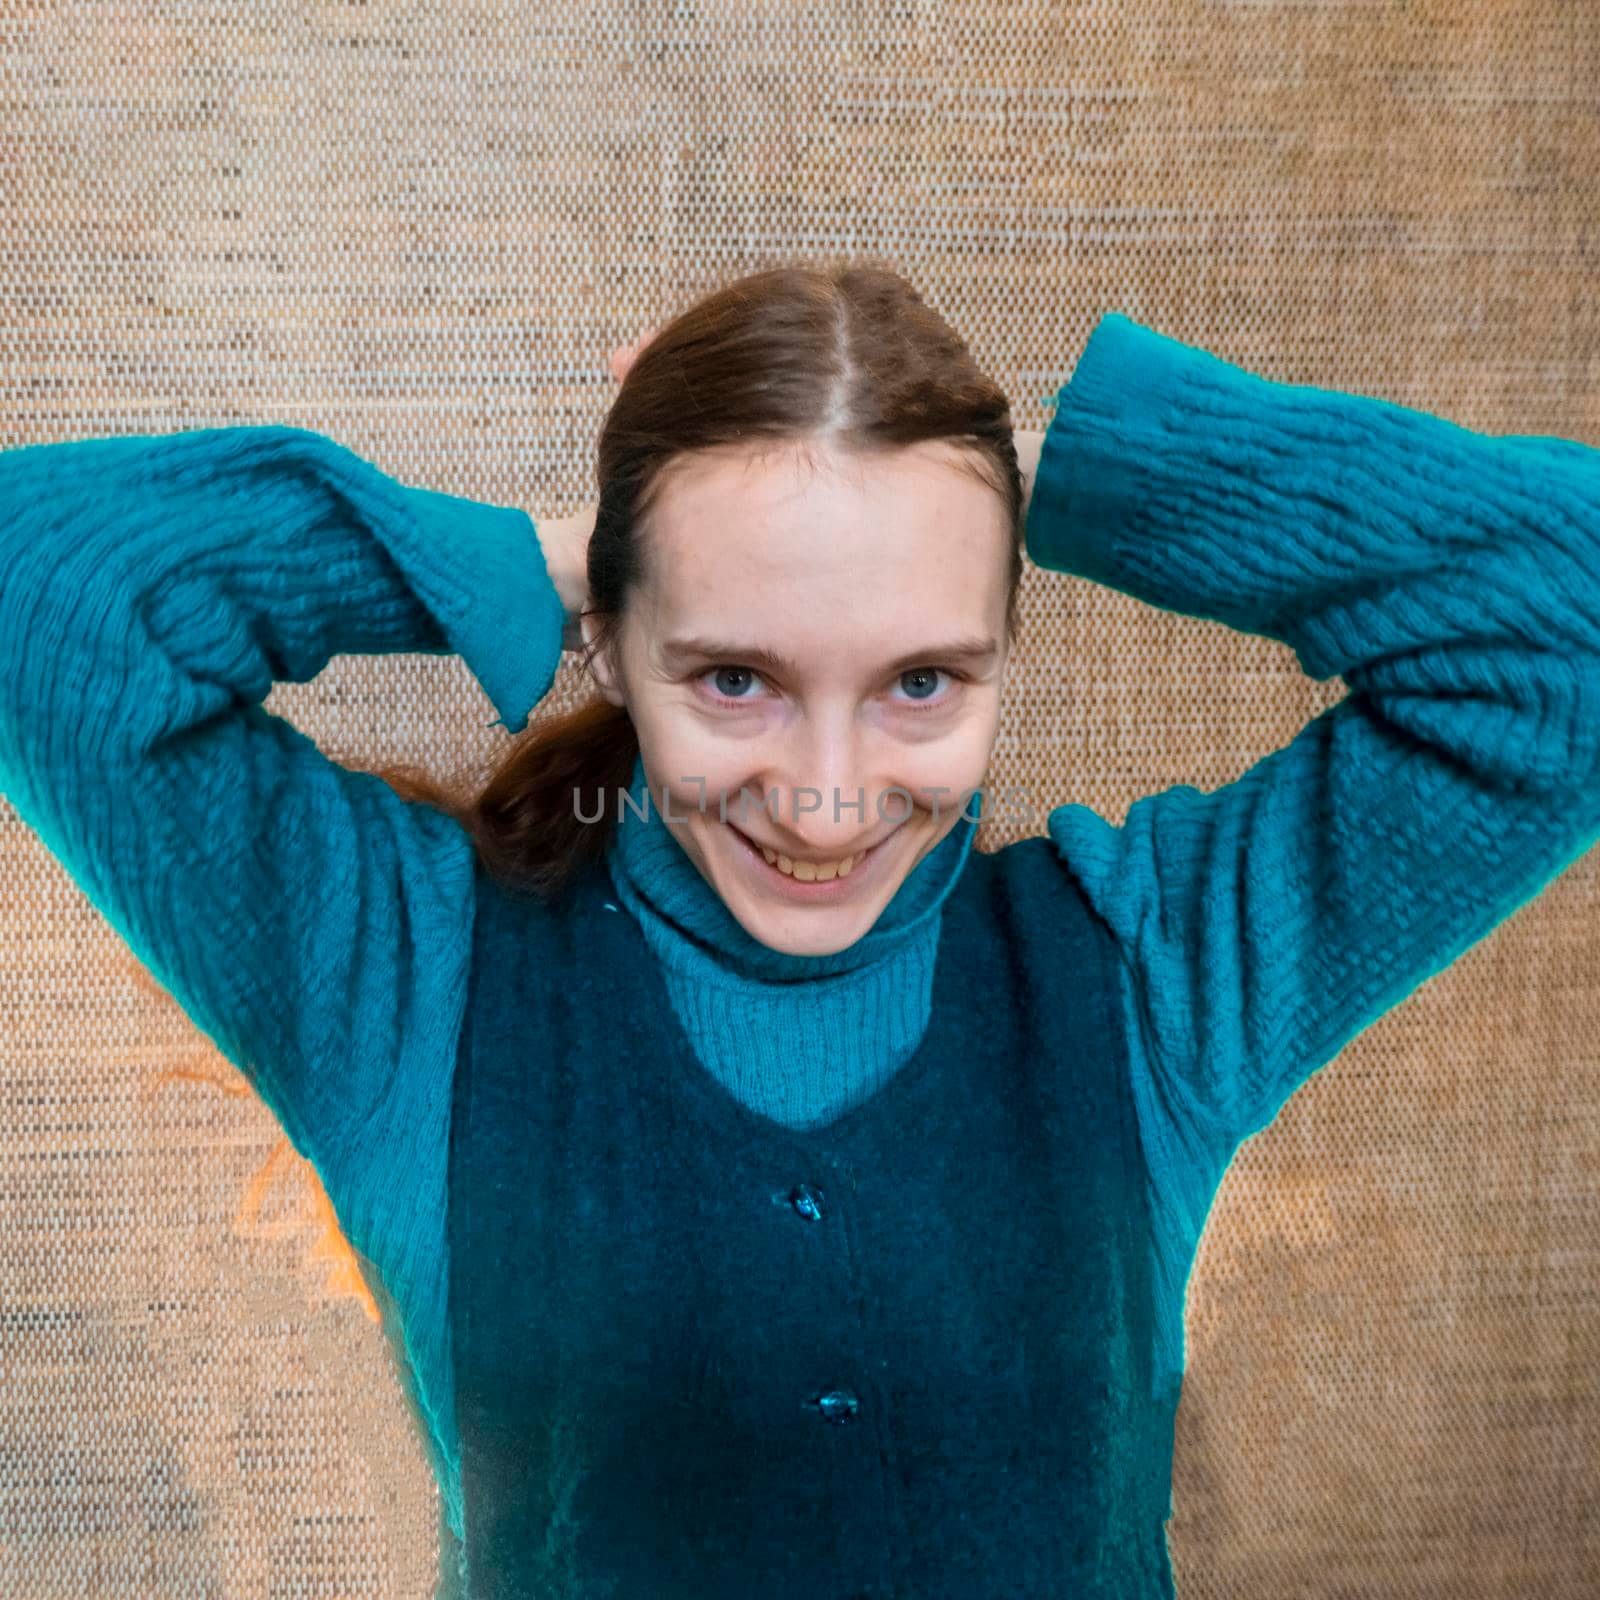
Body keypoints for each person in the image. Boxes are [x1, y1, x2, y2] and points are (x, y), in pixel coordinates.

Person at [1, 259, 1596, 1599]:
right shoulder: (412, 986)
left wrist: (982, 475)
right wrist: (592, 539)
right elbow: (39, 586)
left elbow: (1564, 641)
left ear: (1001, 656)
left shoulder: (1147, 973)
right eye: (734, 677)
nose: (827, 803)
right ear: (612, 649)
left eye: (921, 680)